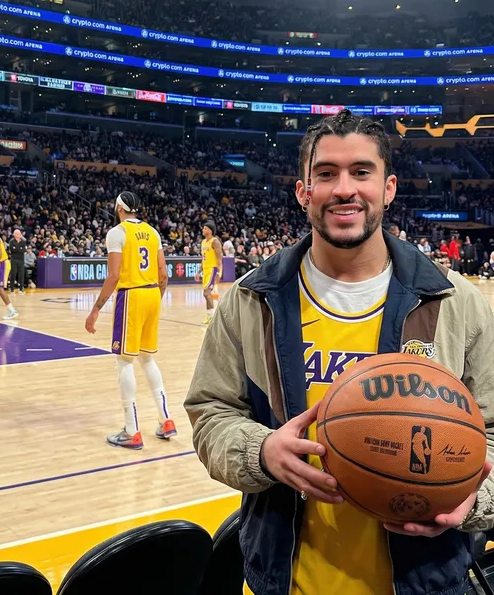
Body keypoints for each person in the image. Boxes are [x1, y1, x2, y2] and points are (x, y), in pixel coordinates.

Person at [185, 109, 494, 595]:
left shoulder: (456, 302)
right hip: (287, 581)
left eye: (361, 172)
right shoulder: (250, 299)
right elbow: (211, 413)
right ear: (303, 191)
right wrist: (262, 452)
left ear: (388, 188)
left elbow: (492, 434)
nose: (344, 188)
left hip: (423, 582)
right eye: (326, 173)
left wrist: (467, 502)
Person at [85, 191, 176, 450]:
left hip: (132, 295)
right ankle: (166, 420)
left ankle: (131, 430)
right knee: (147, 358)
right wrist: (156, 298)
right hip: (152, 294)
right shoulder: (153, 232)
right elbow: (163, 274)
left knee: (124, 361)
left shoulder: (117, 232)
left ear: (119, 208)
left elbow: (113, 276)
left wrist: (95, 310)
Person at [197, 220, 223, 324]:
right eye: (203, 228)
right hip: (206, 270)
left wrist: (218, 272)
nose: (203, 230)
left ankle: (211, 317)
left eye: (205, 228)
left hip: (213, 269)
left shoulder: (215, 241)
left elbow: (219, 258)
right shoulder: (203, 242)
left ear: (211, 231)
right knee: (208, 294)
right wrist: (199, 272)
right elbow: (203, 259)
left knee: (206, 293)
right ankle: (221, 301)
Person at [8, 228, 27, 293]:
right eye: (16, 234)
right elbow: (12, 250)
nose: (18, 235)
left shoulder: (23, 241)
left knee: (21, 274)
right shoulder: (11, 241)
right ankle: (12, 288)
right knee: (13, 273)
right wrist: (19, 248)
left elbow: (24, 250)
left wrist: (17, 248)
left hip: (21, 259)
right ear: (14, 234)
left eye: (19, 234)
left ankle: (21, 288)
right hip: (14, 259)